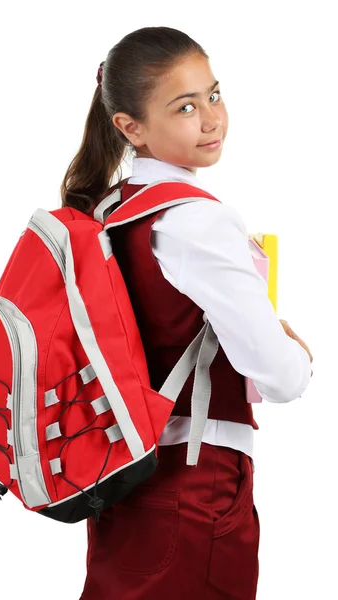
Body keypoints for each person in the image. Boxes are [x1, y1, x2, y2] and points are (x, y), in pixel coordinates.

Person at [60, 26, 313, 600]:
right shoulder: (197, 220)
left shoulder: (108, 212)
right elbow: (280, 377)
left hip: (123, 481)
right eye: (184, 107)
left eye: (214, 95)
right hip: (197, 488)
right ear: (131, 127)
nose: (211, 119)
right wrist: (292, 348)